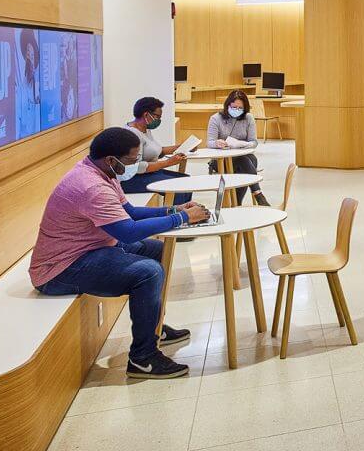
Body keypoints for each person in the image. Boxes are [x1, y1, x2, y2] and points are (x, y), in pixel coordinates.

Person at [30, 127, 209, 379]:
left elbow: (131, 212)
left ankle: (153, 326)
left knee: (158, 249)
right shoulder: (91, 187)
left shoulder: (103, 172)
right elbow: (128, 231)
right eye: (131, 160)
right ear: (111, 160)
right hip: (60, 269)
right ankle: (142, 358)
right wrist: (181, 218)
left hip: (91, 247)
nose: (136, 163)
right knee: (148, 272)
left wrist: (173, 210)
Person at [121, 97, 191, 204]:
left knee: (186, 179)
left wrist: (182, 146)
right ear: (146, 115)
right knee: (178, 186)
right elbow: (137, 167)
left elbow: (157, 151)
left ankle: (186, 215)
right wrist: (168, 163)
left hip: (148, 173)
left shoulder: (145, 129)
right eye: (157, 117)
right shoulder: (132, 134)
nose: (159, 120)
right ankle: (175, 217)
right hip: (132, 179)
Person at [208, 89, 272, 202]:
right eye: (234, 107)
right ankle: (257, 194)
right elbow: (210, 142)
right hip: (221, 160)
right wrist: (217, 143)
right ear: (227, 105)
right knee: (246, 163)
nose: (236, 110)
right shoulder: (215, 119)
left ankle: (236, 202)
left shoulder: (248, 118)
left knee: (248, 161)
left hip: (243, 156)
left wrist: (245, 144)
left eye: (240, 108)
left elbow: (254, 142)